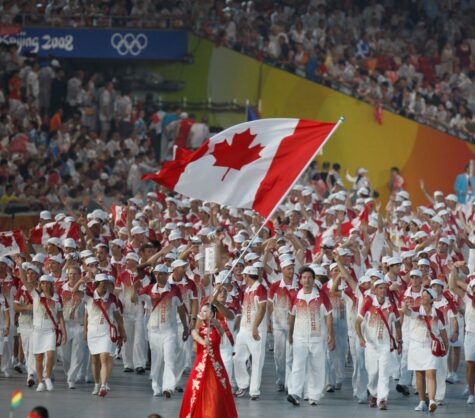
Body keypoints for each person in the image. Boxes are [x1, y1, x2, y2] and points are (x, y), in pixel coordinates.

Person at [179, 304, 238, 418]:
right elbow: (194, 334)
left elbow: (225, 339)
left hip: (215, 365)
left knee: (215, 392)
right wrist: (202, 340)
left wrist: (218, 326)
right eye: (201, 311)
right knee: (195, 389)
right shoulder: (199, 329)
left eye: (205, 311)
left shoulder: (218, 326)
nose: (202, 313)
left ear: (211, 313)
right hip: (200, 365)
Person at [287, 267, 335, 406]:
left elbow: (329, 316)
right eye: (304, 277)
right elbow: (291, 317)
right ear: (300, 280)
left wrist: (331, 335)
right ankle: (295, 393)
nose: (307, 280)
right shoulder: (296, 296)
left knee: (317, 366)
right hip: (299, 337)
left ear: (314, 280)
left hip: (317, 337)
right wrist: (290, 334)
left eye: (309, 277)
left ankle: (314, 395)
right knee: (297, 365)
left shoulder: (320, 296)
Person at [355, 278, 402, 410]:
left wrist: (399, 341)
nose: (383, 290)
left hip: (385, 345)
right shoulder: (368, 303)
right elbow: (357, 322)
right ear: (374, 290)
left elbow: (398, 325)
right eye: (380, 288)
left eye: (385, 288)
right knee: (373, 373)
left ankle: (382, 399)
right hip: (371, 345)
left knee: (384, 373)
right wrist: (360, 338)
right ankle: (374, 393)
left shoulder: (391, 306)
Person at [19, 272, 67, 392]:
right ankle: (40, 382)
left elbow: (60, 315)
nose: (45, 285)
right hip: (37, 331)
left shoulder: (57, 298)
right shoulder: (36, 296)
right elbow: (24, 281)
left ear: (51, 285)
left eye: (47, 283)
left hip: (50, 330)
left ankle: (47, 377)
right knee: (39, 357)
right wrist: (20, 266)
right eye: (43, 283)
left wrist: (64, 331)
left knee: (51, 355)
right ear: (40, 284)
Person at [404, 288, 449, 412]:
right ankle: (422, 401)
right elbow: (406, 312)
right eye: (422, 295)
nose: (422, 298)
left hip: (431, 347)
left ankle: (432, 400)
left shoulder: (438, 313)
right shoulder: (416, 310)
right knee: (419, 374)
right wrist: (404, 304)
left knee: (431, 372)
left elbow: (442, 330)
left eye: (425, 296)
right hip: (416, 346)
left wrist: (446, 345)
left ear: (432, 299)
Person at [84, 273, 126, 397]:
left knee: (104, 357)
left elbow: (118, 318)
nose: (104, 285)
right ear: (97, 283)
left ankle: (103, 385)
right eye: (102, 282)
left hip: (106, 332)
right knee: (95, 359)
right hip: (92, 332)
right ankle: (97, 383)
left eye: (106, 282)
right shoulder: (89, 296)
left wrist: (123, 333)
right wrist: (84, 330)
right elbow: (86, 316)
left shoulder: (112, 298)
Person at [233, 265, 267, 400]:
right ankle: (243, 384)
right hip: (243, 329)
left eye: (244, 275)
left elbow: (262, 309)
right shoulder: (247, 289)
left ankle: (254, 391)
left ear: (247, 276)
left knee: (257, 361)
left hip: (256, 330)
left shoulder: (260, 288)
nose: (243, 277)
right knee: (237, 358)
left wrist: (255, 327)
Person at [449, 268, 475, 404]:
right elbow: (452, 286)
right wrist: (454, 268)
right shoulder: (468, 298)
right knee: (470, 364)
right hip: (470, 335)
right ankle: (471, 393)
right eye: (474, 287)